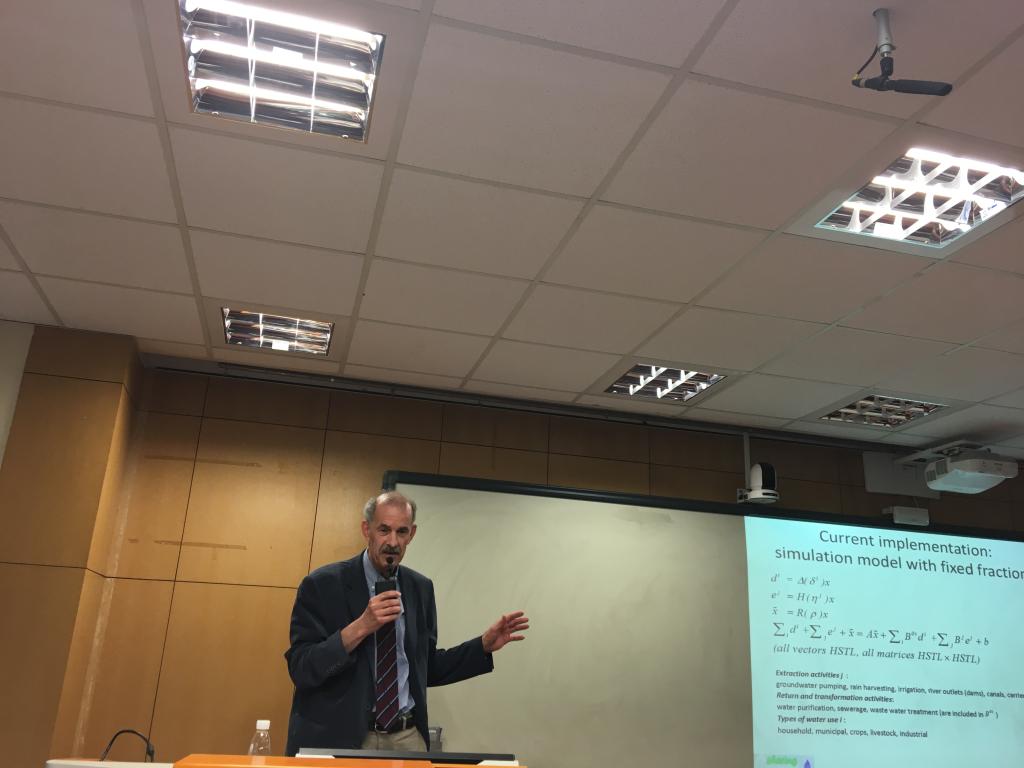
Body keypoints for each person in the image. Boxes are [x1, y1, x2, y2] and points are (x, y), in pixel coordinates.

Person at [284, 490, 529, 755]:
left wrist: (481, 646)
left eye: (401, 532)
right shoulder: (322, 585)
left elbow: (426, 667)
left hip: (406, 736)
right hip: (343, 736)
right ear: (367, 529)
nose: (392, 542)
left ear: (411, 534)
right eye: (384, 530)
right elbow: (301, 668)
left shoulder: (420, 588)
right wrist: (362, 626)